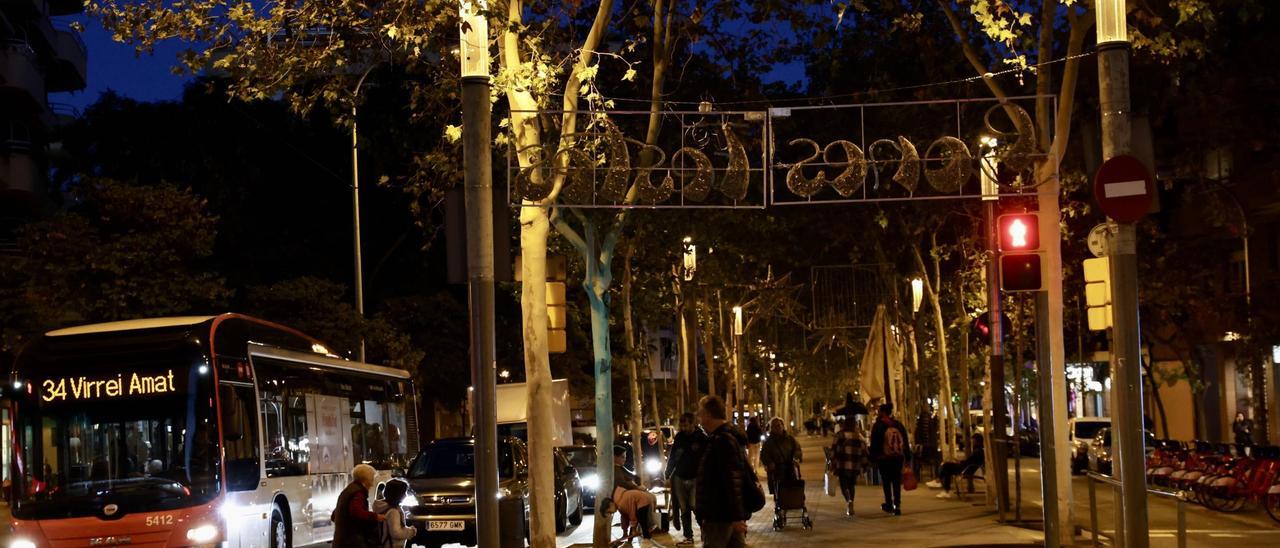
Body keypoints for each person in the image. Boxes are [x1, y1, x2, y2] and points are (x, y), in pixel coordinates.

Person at [695, 396, 751, 548]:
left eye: (700, 414)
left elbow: (731, 480)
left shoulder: (722, 441)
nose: (699, 420)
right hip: (723, 514)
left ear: (708, 414)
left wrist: (735, 518)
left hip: (719, 516)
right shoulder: (725, 438)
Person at [665, 412, 707, 546]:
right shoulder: (679, 437)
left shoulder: (701, 438)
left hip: (695, 478)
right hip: (679, 477)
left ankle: (705, 532)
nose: (684, 428)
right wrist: (667, 473)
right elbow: (673, 456)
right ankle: (688, 536)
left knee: (696, 506)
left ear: (692, 423)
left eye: (686, 425)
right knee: (684, 509)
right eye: (682, 425)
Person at [869, 403, 911, 516]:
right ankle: (897, 505)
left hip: (884, 459)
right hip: (897, 458)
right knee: (896, 482)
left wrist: (873, 458)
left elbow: (875, 444)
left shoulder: (878, 426)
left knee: (886, 482)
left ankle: (889, 504)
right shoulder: (898, 425)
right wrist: (907, 456)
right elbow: (905, 441)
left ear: (882, 412)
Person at [332, 464, 385, 547]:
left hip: (341, 541)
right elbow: (357, 512)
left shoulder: (348, 490)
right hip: (352, 542)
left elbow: (334, 515)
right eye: (372, 479)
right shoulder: (358, 493)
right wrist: (376, 517)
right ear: (366, 479)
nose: (372, 484)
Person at [829, 416, 869, 516]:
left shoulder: (839, 435)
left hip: (842, 465)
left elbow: (833, 450)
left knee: (843, 485)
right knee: (851, 485)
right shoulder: (858, 436)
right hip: (855, 465)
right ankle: (851, 500)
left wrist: (832, 462)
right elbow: (864, 452)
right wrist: (864, 466)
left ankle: (848, 500)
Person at [929, 433, 985, 498]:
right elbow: (970, 461)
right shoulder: (978, 450)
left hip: (966, 469)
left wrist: (960, 462)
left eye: (973, 440)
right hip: (966, 467)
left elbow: (970, 462)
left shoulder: (979, 451)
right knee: (947, 468)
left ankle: (940, 483)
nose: (972, 441)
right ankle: (944, 488)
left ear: (977, 441)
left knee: (946, 466)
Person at [759, 417, 801, 495]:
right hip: (776, 472)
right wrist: (769, 463)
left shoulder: (790, 439)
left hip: (789, 469)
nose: (777, 428)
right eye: (774, 426)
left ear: (783, 426)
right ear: (771, 428)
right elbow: (764, 455)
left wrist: (796, 458)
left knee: (791, 491)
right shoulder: (768, 442)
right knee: (779, 493)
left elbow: (797, 449)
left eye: (779, 425)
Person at [373, 478, 417, 547]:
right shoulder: (393, 512)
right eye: (404, 493)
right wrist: (410, 531)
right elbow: (396, 533)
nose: (406, 495)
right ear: (398, 494)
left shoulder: (382, 508)